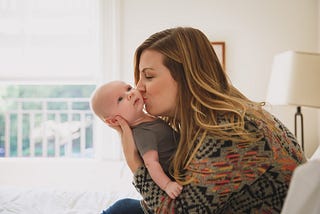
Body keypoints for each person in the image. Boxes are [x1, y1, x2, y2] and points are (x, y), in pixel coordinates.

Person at [102, 27, 307, 214]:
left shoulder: (231, 132)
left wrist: (135, 164)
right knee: (124, 208)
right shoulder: (226, 118)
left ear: (185, 77)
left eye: (148, 76)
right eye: (138, 77)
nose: (139, 88)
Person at [90, 80, 182, 201]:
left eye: (128, 88)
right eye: (120, 99)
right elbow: (151, 163)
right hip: (176, 176)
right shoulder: (142, 133)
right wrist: (167, 185)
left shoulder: (150, 118)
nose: (130, 94)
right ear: (114, 121)